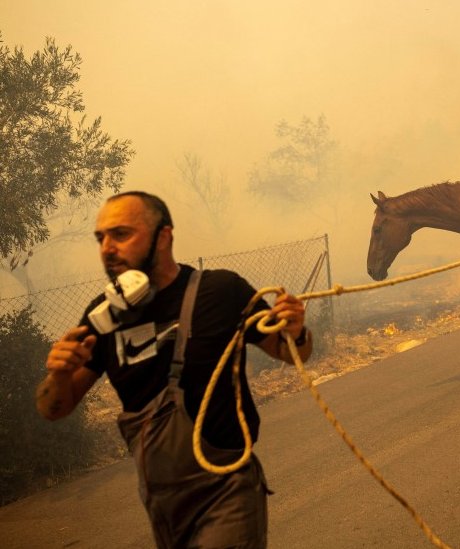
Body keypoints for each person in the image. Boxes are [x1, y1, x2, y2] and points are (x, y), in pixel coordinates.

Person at [35, 191, 313, 548]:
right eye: (101, 238)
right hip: (161, 504)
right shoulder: (102, 317)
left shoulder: (222, 291)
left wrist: (296, 331)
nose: (106, 247)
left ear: (163, 236)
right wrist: (58, 375)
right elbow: (54, 408)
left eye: (121, 234)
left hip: (227, 491)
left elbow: (293, 353)